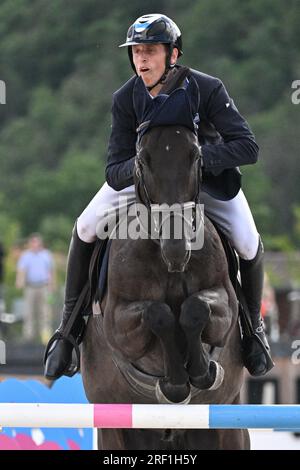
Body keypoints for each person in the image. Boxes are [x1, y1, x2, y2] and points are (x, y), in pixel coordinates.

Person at [44, 13, 273, 379]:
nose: (141, 60)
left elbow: (248, 147)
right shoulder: (126, 98)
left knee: (247, 241)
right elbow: (113, 167)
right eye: (136, 52)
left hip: (204, 183)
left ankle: (253, 332)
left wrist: (195, 164)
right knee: (86, 226)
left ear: (173, 54)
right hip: (147, 184)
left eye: (149, 51)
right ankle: (68, 332)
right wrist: (142, 171)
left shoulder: (207, 88)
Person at [16, 233, 54, 344]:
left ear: (40, 243)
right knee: (29, 312)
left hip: (44, 287)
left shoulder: (46, 255)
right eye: (33, 242)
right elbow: (21, 270)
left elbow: (50, 271)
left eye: (37, 242)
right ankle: (29, 336)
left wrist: (51, 285)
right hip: (30, 287)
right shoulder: (26, 256)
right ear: (30, 244)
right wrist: (19, 281)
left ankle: (45, 337)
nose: (35, 245)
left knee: (45, 312)